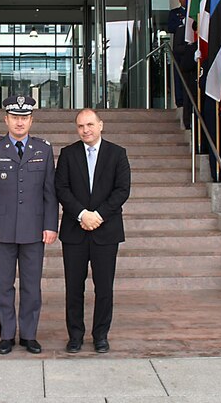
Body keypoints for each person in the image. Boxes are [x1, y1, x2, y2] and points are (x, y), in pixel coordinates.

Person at [0, 95, 58, 355]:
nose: (19, 122)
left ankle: (29, 334)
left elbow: (50, 193)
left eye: (24, 118)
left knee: (32, 286)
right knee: (2, 284)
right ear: (6, 119)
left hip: (34, 230)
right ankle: (7, 334)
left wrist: (51, 225)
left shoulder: (43, 149)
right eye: (15, 117)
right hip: (1, 230)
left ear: (31, 120)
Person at [55, 108, 131, 354]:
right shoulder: (67, 154)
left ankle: (101, 335)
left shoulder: (117, 154)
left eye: (89, 124)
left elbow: (122, 190)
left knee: (104, 287)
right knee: (74, 287)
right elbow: (61, 188)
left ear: (101, 125)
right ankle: (75, 335)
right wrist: (81, 214)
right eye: (80, 126)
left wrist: (97, 215)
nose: (85, 130)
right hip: (74, 231)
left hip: (105, 231)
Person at [171, 19, 197, 129]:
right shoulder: (182, 29)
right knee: (188, 96)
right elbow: (176, 48)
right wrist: (191, 49)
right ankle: (188, 122)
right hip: (189, 69)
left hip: (200, 70)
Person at [167, 0, 187, 108]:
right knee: (178, 74)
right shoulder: (174, 13)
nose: (185, 0)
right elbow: (170, 27)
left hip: (190, 48)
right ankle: (179, 100)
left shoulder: (193, 12)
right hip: (179, 47)